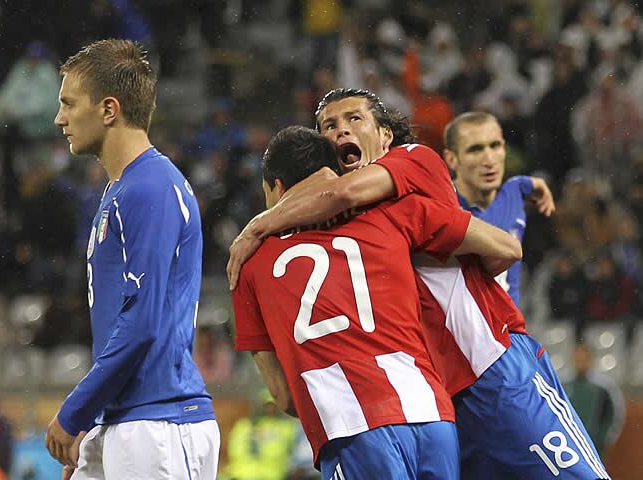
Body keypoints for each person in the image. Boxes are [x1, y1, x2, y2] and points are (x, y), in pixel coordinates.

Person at [228, 89, 609, 479]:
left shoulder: (412, 161)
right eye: (329, 126)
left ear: (386, 135)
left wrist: (256, 227)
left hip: (491, 368)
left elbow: (505, 250)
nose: (341, 130)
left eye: (354, 119)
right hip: (434, 400)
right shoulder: (339, 218)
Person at [232, 125, 522, 479]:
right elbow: (506, 247)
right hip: (431, 415)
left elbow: (286, 397)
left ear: (276, 188)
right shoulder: (391, 212)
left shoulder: (247, 264)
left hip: (350, 428)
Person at [45, 39, 219, 480]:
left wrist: (76, 411)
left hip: (161, 422)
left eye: (68, 104)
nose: (59, 118)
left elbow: (142, 323)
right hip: (126, 418)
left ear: (108, 109)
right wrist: (97, 425)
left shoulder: (150, 187)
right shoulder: (123, 189)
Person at [443, 111, 556, 305]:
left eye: (495, 146)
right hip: (458, 331)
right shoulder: (441, 207)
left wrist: (531, 184)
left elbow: (524, 186)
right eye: (475, 150)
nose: (489, 160)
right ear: (452, 159)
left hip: (511, 329)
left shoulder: (514, 192)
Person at [564, 344, 626, 457]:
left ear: (590, 360)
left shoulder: (604, 386)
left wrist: (602, 439)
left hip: (594, 446)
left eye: (584, 359)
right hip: (567, 445)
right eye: (578, 359)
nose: (580, 363)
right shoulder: (563, 384)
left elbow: (614, 415)